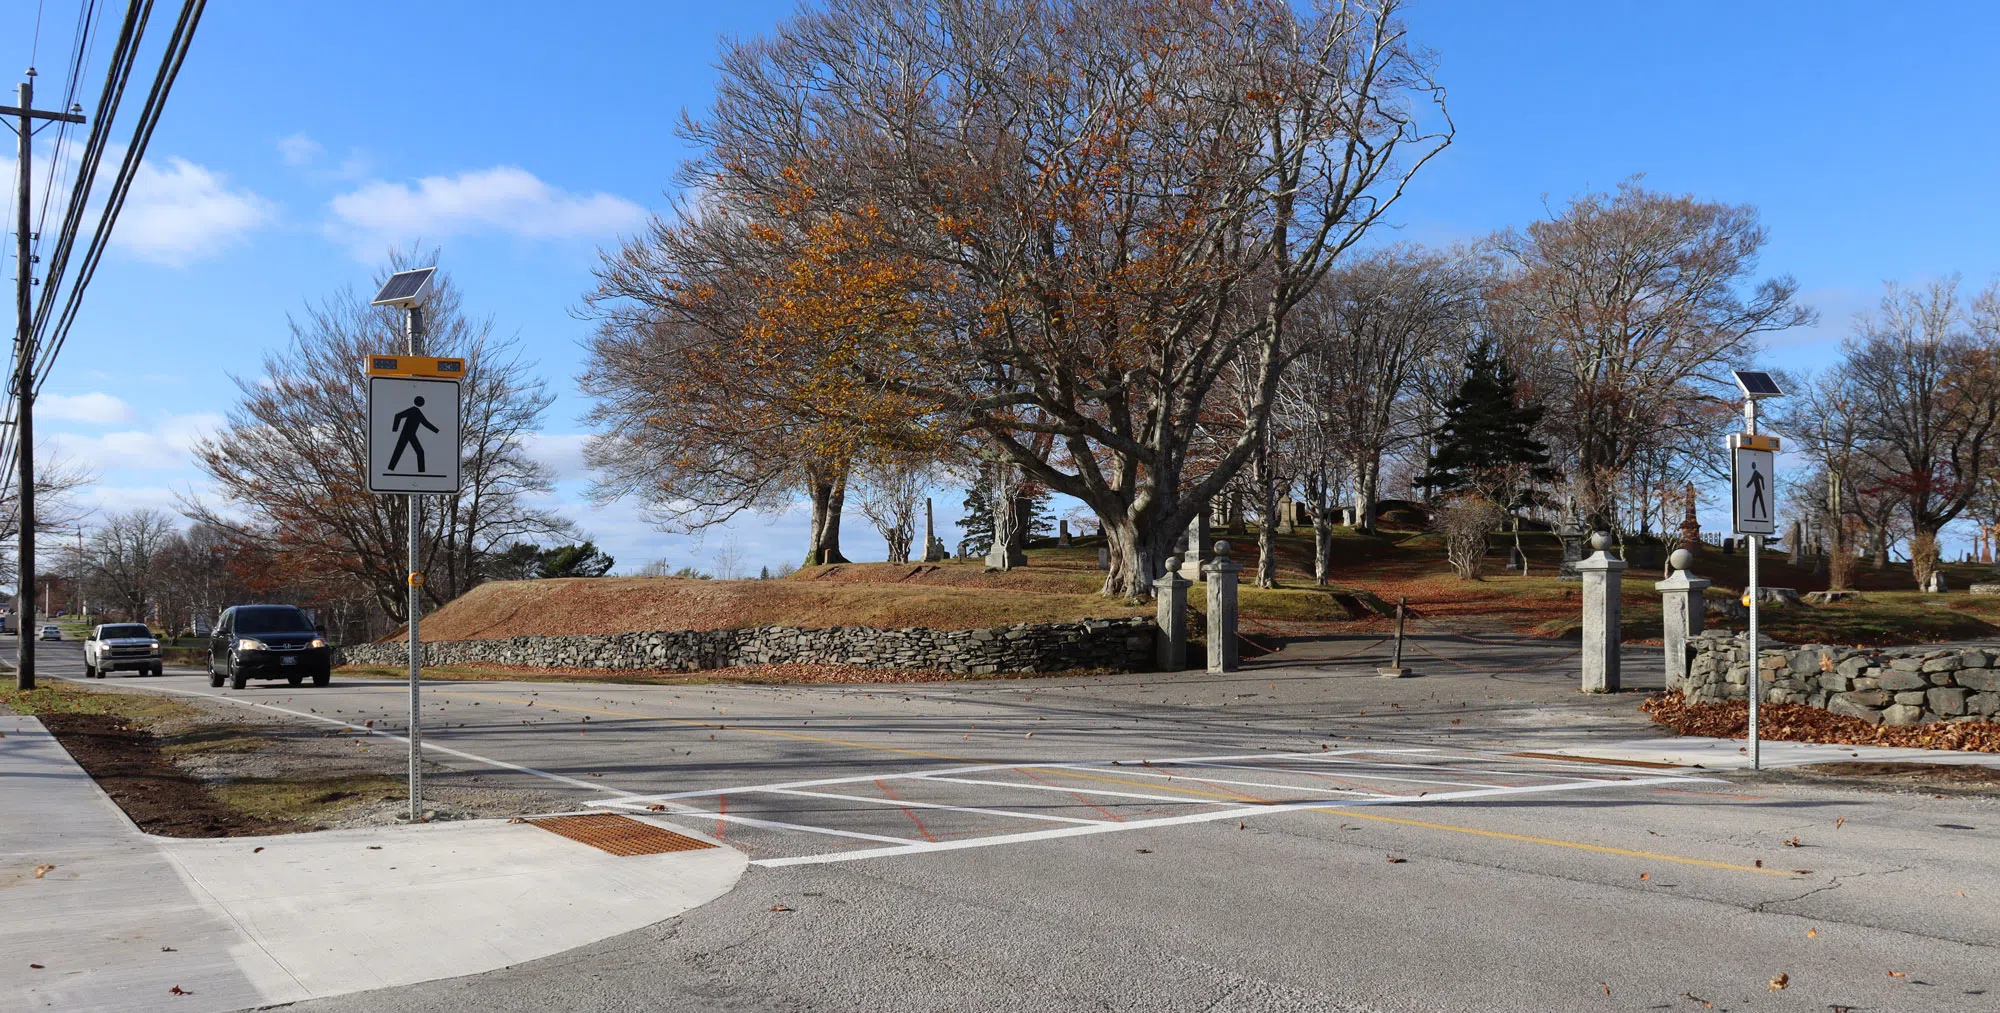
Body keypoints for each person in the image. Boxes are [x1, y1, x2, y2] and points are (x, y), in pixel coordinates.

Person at [388, 396, 440, 472]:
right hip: (405, 434)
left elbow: (426, 424)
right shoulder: (413, 410)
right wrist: (395, 430)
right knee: (399, 452)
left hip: (411, 435)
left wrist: (438, 431)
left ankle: (421, 472)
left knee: (419, 452)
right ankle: (390, 469)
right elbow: (397, 416)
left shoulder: (418, 412)